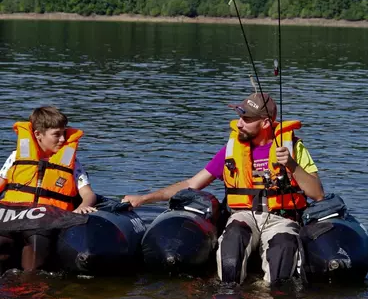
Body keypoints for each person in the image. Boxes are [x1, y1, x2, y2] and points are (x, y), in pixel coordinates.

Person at [123, 92, 324, 285]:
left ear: (265, 123)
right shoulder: (231, 150)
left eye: (246, 119)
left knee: (284, 246)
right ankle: (229, 298)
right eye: (239, 116)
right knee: (233, 237)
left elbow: (317, 194)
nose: (239, 123)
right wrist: (144, 199)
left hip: (281, 218)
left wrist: (292, 165)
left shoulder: (294, 149)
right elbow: (191, 184)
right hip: (243, 215)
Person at [0, 106, 97, 271]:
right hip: (12, 218)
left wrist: (82, 207)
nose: (61, 139)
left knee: (37, 240)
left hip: (45, 222)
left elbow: (88, 193)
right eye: (56, 135)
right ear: (38, 134)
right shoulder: (16, 157)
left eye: (63, 134)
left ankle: (31, 289)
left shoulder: (72, 163)